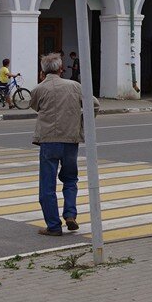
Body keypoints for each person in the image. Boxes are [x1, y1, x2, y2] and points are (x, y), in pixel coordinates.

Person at [30, 52, 98, 237]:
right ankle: (70, 214)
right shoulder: (75, 86)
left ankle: (53, 226)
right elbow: (95, 105)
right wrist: (80, 123)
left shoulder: (38, 89)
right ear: (61, 69)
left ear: (42, 72)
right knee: (70, 179)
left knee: (47, 185)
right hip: (70, 140)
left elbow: (35, 106)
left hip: (48, 142)